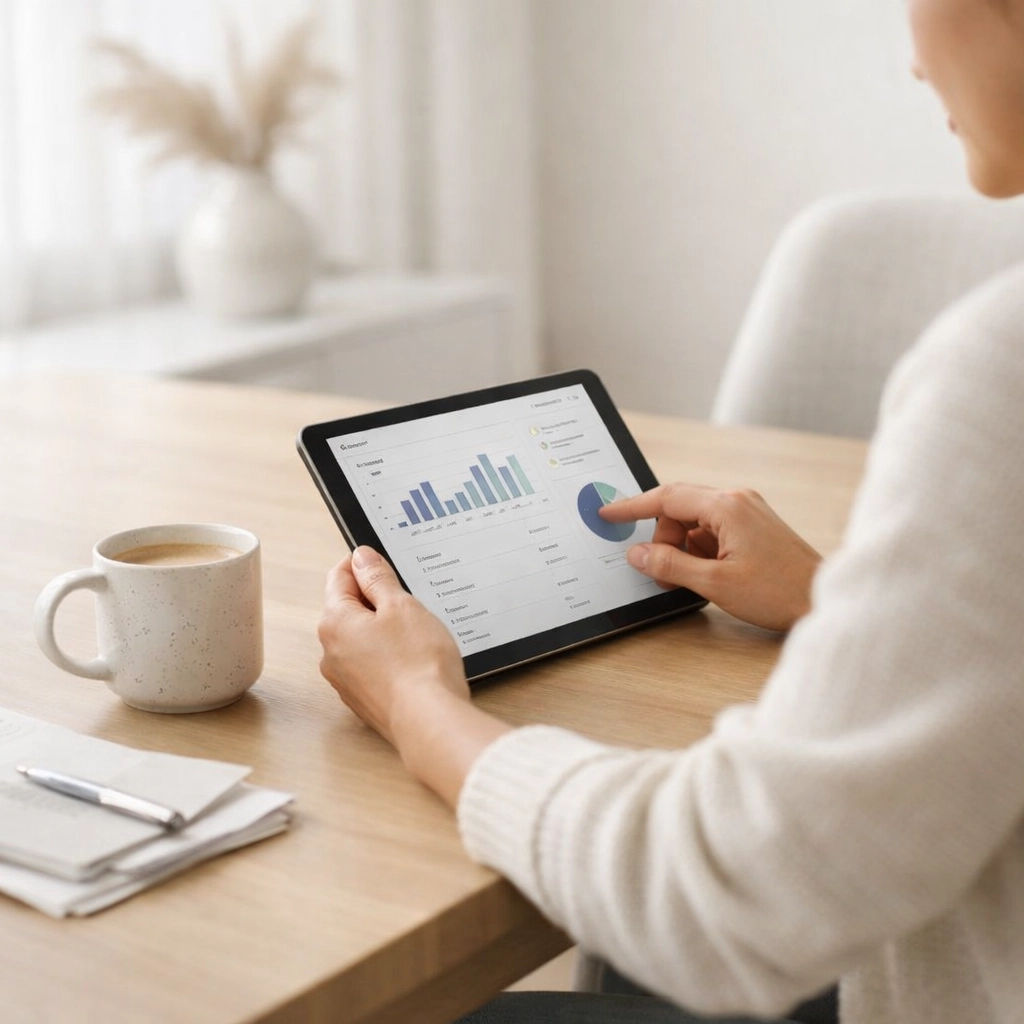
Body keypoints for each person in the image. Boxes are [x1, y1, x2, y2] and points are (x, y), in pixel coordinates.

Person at [316, 1, 1024, 1021]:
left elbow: (738, 894)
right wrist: (837, 600)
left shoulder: (1001, 368)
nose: (912, 60)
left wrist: (418, 706)